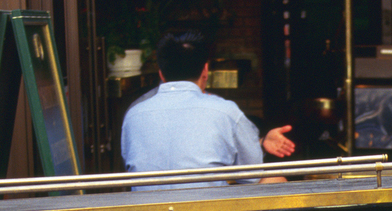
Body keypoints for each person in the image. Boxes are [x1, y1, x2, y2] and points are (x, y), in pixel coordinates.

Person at [120, 29, 295, 185]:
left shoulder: (134, 114)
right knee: (275, 180)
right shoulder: (224, 111)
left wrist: (261, 142)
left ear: (161, 74)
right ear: (205, 71)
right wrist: (260, 144)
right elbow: (251, 174)